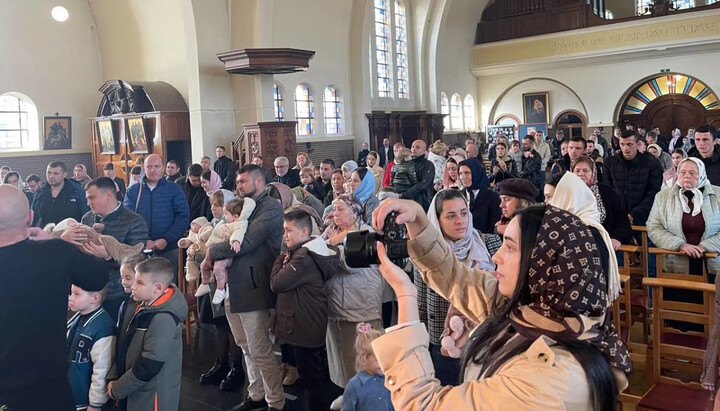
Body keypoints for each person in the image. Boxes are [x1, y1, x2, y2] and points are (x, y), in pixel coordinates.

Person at [369, 199, 630, 410]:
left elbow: (425, 405)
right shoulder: (537, 311)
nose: (496, 256)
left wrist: (405, 295)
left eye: (510, 248)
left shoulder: (550, 379)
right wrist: (418, 221)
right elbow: (458, 279)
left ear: (543, 265)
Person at [0, 185, 108, 411]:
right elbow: (97, 277)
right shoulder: (57, 251)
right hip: (46, 386)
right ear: (30, 217)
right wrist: (51, 241)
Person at [203, 164, 286, 411]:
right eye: (237, 182)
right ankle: (256, 394)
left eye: (242, 182)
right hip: (233, 285)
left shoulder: (269, 207)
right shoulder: (242, 207)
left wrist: (210, 250)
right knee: (245, 346)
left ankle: (275, 402)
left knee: (260, 348)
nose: (237, 186)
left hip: (253, 285)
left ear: (258, 182)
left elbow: (246, 242)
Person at [415, 189, 495, 386]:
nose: (460, 220)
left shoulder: (490, 244)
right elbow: (422, 305)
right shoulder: (427, 257)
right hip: (444, 345)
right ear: (437, 220)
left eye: (464, 213)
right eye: (451, 216)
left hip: (487, 342)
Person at [270, 208, 340, 410]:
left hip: (304, 325)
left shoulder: (304, 258)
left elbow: (276, 283)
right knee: (311, 376)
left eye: (289, 230)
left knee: (311, 379)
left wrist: (280, 258)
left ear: (304, 232)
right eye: (284, 230)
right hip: (304, 322)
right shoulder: (308, 251)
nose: (285, 235)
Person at [107, 258, 188, 410]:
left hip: (151, 397)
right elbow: (123, 345)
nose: (133, 287)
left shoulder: (163, 319)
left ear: (158, 288)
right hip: (132, 389)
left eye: (140, 283)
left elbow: (149, 365)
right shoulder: (141, 306)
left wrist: (118, 388)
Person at [322, 194, 384, 391]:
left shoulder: (365, 232)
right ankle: (348, 395)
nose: (335, 213)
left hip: (360, 308)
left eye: (341, 209)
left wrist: (329, 247)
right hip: (336, 308)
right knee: (341, 362)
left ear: (355, 212)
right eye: (334, 209)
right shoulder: (331, 231)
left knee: (364, 360)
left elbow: (351, 264)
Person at [73, 177, 149, 323]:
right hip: (90, 289)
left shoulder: (134, 220)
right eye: (87, 198)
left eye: (92, 198)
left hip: (118, 292)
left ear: (108, 195)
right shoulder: (87, 219)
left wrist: (108, 256)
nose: (88, 203)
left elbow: (139, 262)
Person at [548, 172, 622, 302]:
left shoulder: (586, 231)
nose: (546, 203)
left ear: (567, 197)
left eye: (550, 197)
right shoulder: (563, 225)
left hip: (583, 308)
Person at [647, 157, 720, 281]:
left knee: (711, 299)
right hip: (675, 260)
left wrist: (704, 247)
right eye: (682, 172)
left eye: (692, 173)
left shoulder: (717, 195)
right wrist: (680, 245)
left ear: (702, 174)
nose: (686, 176)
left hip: (712, 260)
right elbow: (654, 227)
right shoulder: (663, 196)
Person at [123, 154, 190, 275]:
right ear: (144, 168)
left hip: (168, 248)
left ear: (163, 168)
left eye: (156, 166)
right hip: (139, 249)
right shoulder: (133, 191)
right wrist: (143, 240)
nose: (153, 170)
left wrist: (166, 239)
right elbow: (127, 218)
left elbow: (182, 217)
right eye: (149, 167)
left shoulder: (174, 189)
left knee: (167, 287)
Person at [197, 197, 255, 306]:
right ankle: (204, 283)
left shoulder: (239, 223)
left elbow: (239, 232)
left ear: (235, 216)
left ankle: (221, 289)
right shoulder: (225, 223)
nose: (224, 217)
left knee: (219, 268)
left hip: (225, 254)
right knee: (203, 264)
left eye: (226, 214)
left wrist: (235, 242)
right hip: (217, 250)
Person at [67, 283, 115, 411]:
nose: (70, 298)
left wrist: (95, 404)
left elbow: (102, 370)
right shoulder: (78, 318)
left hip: (85, 401)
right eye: (71, 293)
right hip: (72, 396)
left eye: (77, 294)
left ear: (94, 298)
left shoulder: (103, 328)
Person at [571, 156, 633, 247]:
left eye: (585, 171)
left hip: (604, 243)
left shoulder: (606, 192)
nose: (581, 174)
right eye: (577, 171)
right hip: (572, 242)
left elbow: (621, 222)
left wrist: (617, 238)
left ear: (593, 172)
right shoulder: (565, 192)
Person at [605, 130, 663, 226]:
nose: (625, 148)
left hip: (644, 216)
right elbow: (608, 190)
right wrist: (618, 213)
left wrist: (634, 214)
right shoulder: (610, 163)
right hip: (617, 216)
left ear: (637, 144)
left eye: (629, 144)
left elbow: (653, 193)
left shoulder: (651, 163)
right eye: (622, 144)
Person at [339, 324, 392, 411]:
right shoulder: (354, 387)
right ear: (363, 359)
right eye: (378, 360)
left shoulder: (390, 378)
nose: (383, 363)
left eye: (385, 357)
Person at [32, 161, 90, 227]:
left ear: (64, 175)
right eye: (49, 173)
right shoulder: (40, 192)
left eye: (56, 173)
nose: (51, 176)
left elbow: (86, 215)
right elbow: (33, 217)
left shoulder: (76, 191)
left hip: (71, 233)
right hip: (45, 234)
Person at [458, 159, 501, 234]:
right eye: (460, 173)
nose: (463, 177)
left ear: (476, 173)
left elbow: (493, 227)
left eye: (467, 173)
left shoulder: (493, 198)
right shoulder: (458, 196)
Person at [403, 139, 435, 211]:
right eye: (412, 147)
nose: (414, 149)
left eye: (417, 147)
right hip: (408, 201)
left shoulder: (428, 165)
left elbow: (423, 185)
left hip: (424, 201)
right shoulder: (408, 163)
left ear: (424, 151)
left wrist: (405, 194)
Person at [518, 135, 544, 201]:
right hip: (524, 184)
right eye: (522, 143)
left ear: (532, 144)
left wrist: (514, 176)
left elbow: (527, 171)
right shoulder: (523, 154)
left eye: (525, 144)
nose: (523, 145)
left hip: (533, 185)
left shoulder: (536, 157)